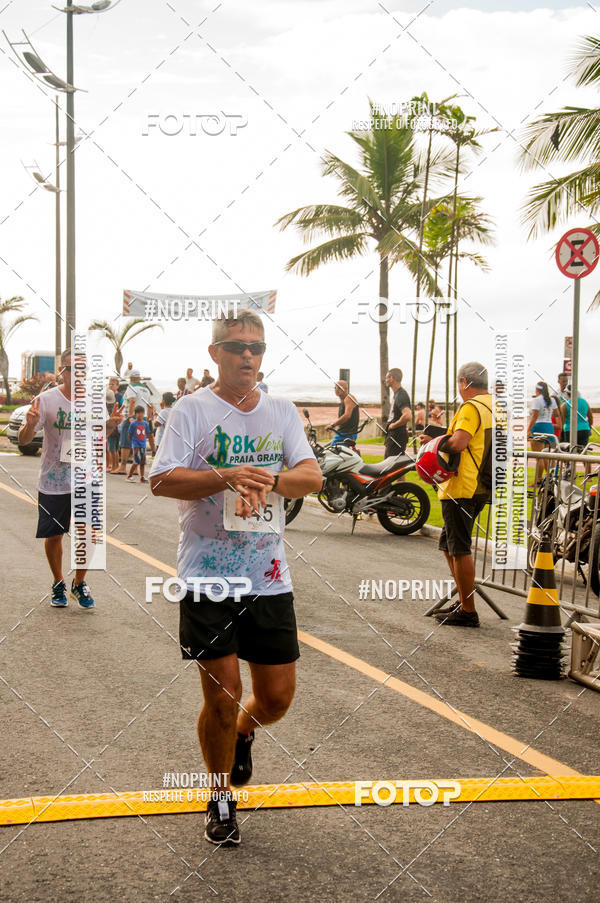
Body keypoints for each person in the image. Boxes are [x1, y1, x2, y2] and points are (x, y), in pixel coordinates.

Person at [150, 308, 321, 847]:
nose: (248, 355)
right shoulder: (191, 411)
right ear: (215, 353)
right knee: (224, 695)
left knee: (275, 699)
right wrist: (224, 476)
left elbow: (311, 476)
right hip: (207, 576)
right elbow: (160, 479)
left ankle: (245, 735)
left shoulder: (282, 411)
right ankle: (220, 797)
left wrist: (271, 477)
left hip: (268, 576)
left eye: (257, 347)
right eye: (237, 346)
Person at [18, 349, 122, 609]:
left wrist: (110, 426)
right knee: (54, 536)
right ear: (62, 371)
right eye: (73, 368)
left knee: (88, 534)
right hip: (53, 482)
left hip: (85, 479)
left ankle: (79, 581)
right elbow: (24, 440)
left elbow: (99, 439)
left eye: (83, 368)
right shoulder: (45, 400)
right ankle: (58, 581)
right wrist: (29, 425)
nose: (79, 374)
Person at [429, 361, 493, 628]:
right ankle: (463, 600)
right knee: (448, 544)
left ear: (465, 382)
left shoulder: (471, 407)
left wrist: (436, 442)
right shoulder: (494, 407)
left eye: (459, 382)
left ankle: (468, 610)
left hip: (463, 486)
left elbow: (459, 442)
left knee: (459, 548)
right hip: (482, 484)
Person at [527, 381, 561, 489]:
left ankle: (538, 480)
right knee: (547, 455)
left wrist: (528, 430)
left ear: (537, 390)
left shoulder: (537, 400)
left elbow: (534, 416)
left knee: (539, 456)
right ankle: (550, 479)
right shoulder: (551, 400)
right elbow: (556, 414)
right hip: (549, 427)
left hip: (538, 426)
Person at [124, 369, 155, 455]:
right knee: (141, 439)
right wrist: (148, 419)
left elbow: (132, 401)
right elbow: (150, 406)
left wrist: (130, 416)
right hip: (144, 417)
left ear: (131, 378)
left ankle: (134, 461)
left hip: (135, 417)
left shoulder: (131, 387)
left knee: (130, 440)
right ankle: (143, 458)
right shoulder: (146, 389)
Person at [384, 369, 411, 457]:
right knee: (388, 466)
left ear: (392, 378)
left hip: (397, 436)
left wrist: (393, 425)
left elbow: (407, 415)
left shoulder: (401, 395)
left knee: (389, 467)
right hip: (394, 436)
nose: (386, 380)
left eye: (387, 378)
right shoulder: (397, 394)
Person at [326, 379, 359, 445]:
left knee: (331, 452)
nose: (335, 389)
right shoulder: (343, 400)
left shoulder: (349, 398)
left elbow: (347, 416)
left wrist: (333, 425)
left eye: (337, 387)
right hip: (343, 433)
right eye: (334, 388)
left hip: (347, 434)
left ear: (343, 389)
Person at [560, 386, 593, 450]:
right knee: (583, 451)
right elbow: (590, 417)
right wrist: (589, 428)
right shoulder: (585, 402)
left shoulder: (565, 405)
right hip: (584, 429)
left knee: (569, 451)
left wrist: (561, 433)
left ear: (567, 393)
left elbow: (562, 421)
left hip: (570, 430)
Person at [127, 406, 148, 483]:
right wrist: (133, 441)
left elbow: (147, 433)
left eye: (142, 413)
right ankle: (129, 476)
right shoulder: (133, 424)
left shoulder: (145, 423)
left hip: (143, 445)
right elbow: (129, 434)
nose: (140, 414)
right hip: (136, 445)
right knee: (136, 461)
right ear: (135, 414)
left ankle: (142, 477)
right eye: (138, 413)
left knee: (142, 462)